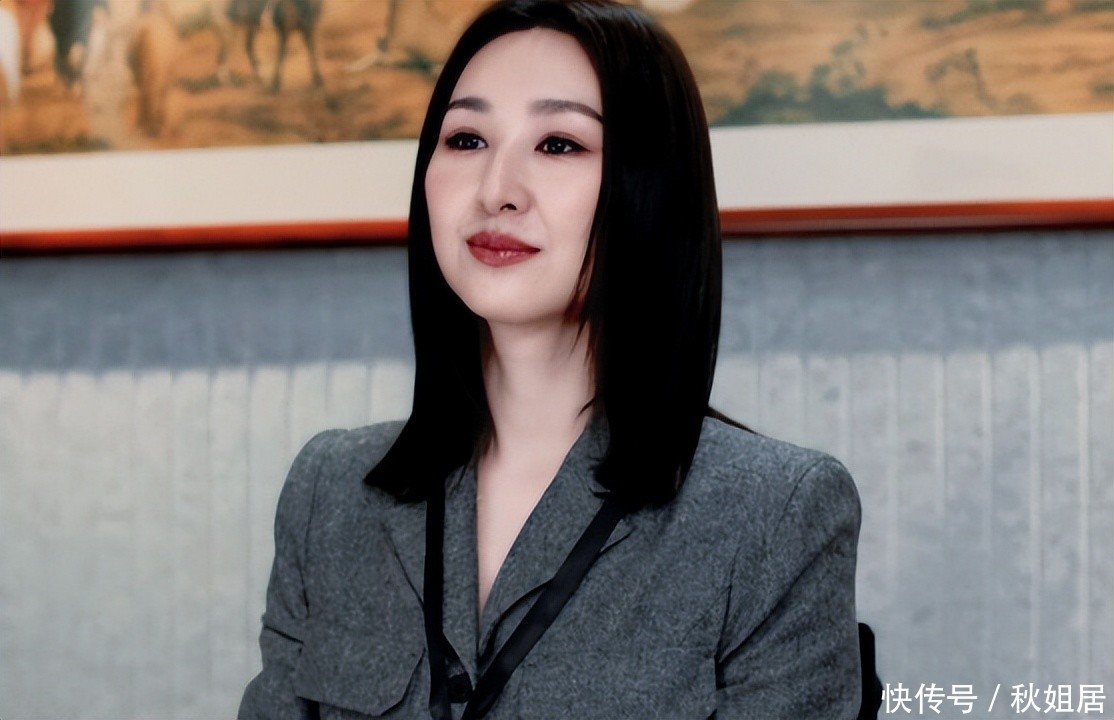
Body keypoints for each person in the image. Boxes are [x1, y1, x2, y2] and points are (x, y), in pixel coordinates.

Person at [239, 1, 862, 717]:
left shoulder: (776, 514)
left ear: (651, 185)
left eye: (559, 144)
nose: (496, 191)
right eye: (467, 139)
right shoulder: (330, 492)